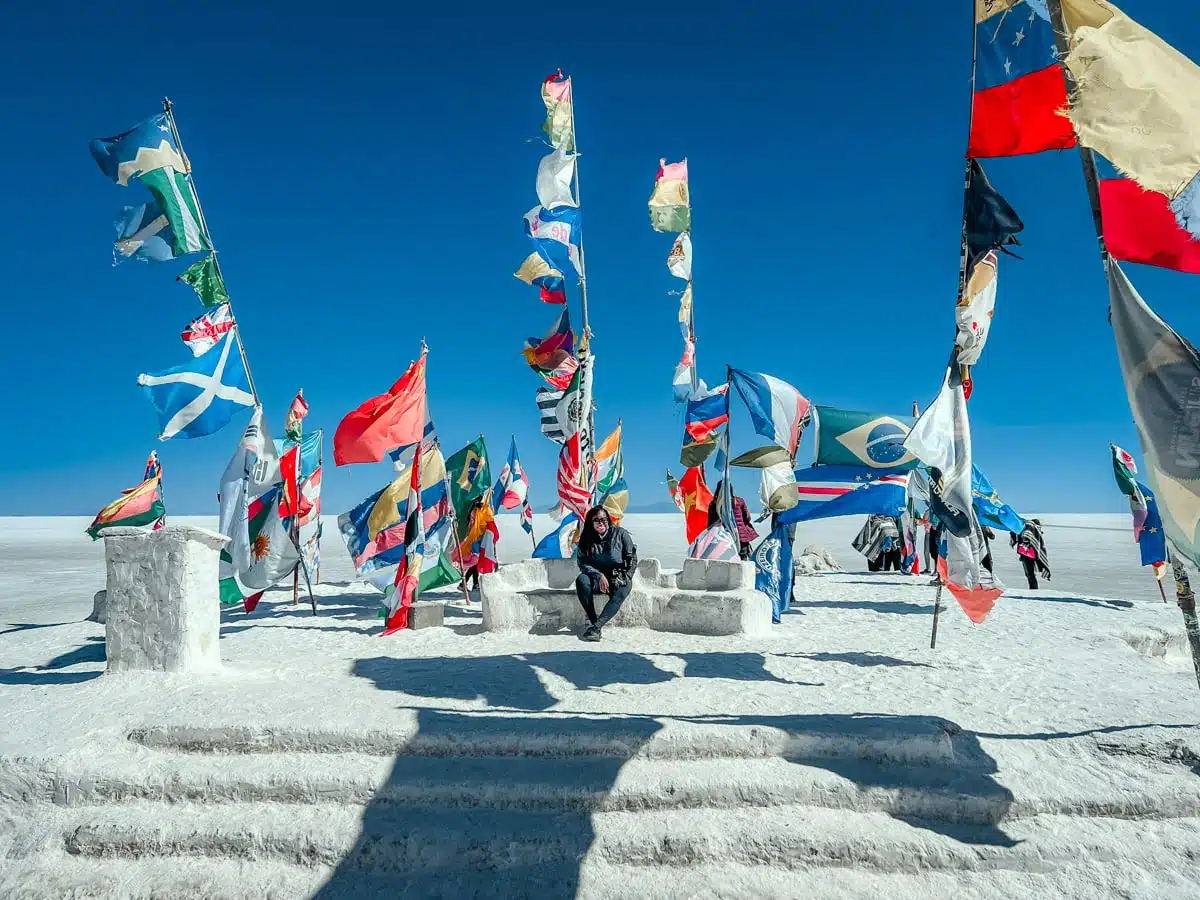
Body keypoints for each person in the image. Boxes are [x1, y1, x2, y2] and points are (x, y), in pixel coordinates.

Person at [575, 505, 638, 641]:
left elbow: (631, 558)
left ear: (608, 520)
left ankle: (596, 627)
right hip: (596, 578)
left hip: (618, 577)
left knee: (623, 589)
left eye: (603, 519)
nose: (600, 523)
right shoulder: (586, 539)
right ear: (591, 523)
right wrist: (599, 575)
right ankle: (593, 621)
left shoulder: (621, 534)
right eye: (596, 520)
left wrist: (625, 577)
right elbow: (582, 563)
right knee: (581, 581)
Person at [708, 480, 758, 560]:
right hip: (741, 535)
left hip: (723, 536)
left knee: (726, 559)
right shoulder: (739, 501)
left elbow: (710, 522)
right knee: (743, 559)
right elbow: (747, 517)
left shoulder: (714, 504)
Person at [1010, 519, 1051, 589]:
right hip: (1029, 554)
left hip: (1028, 555)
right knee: (1029, 574)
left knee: (1030, 574)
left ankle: (1033, 589)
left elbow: (1026, 535)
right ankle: (1033, 588)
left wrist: (1025, 541)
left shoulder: (1031, 527)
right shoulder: (1032, 527)